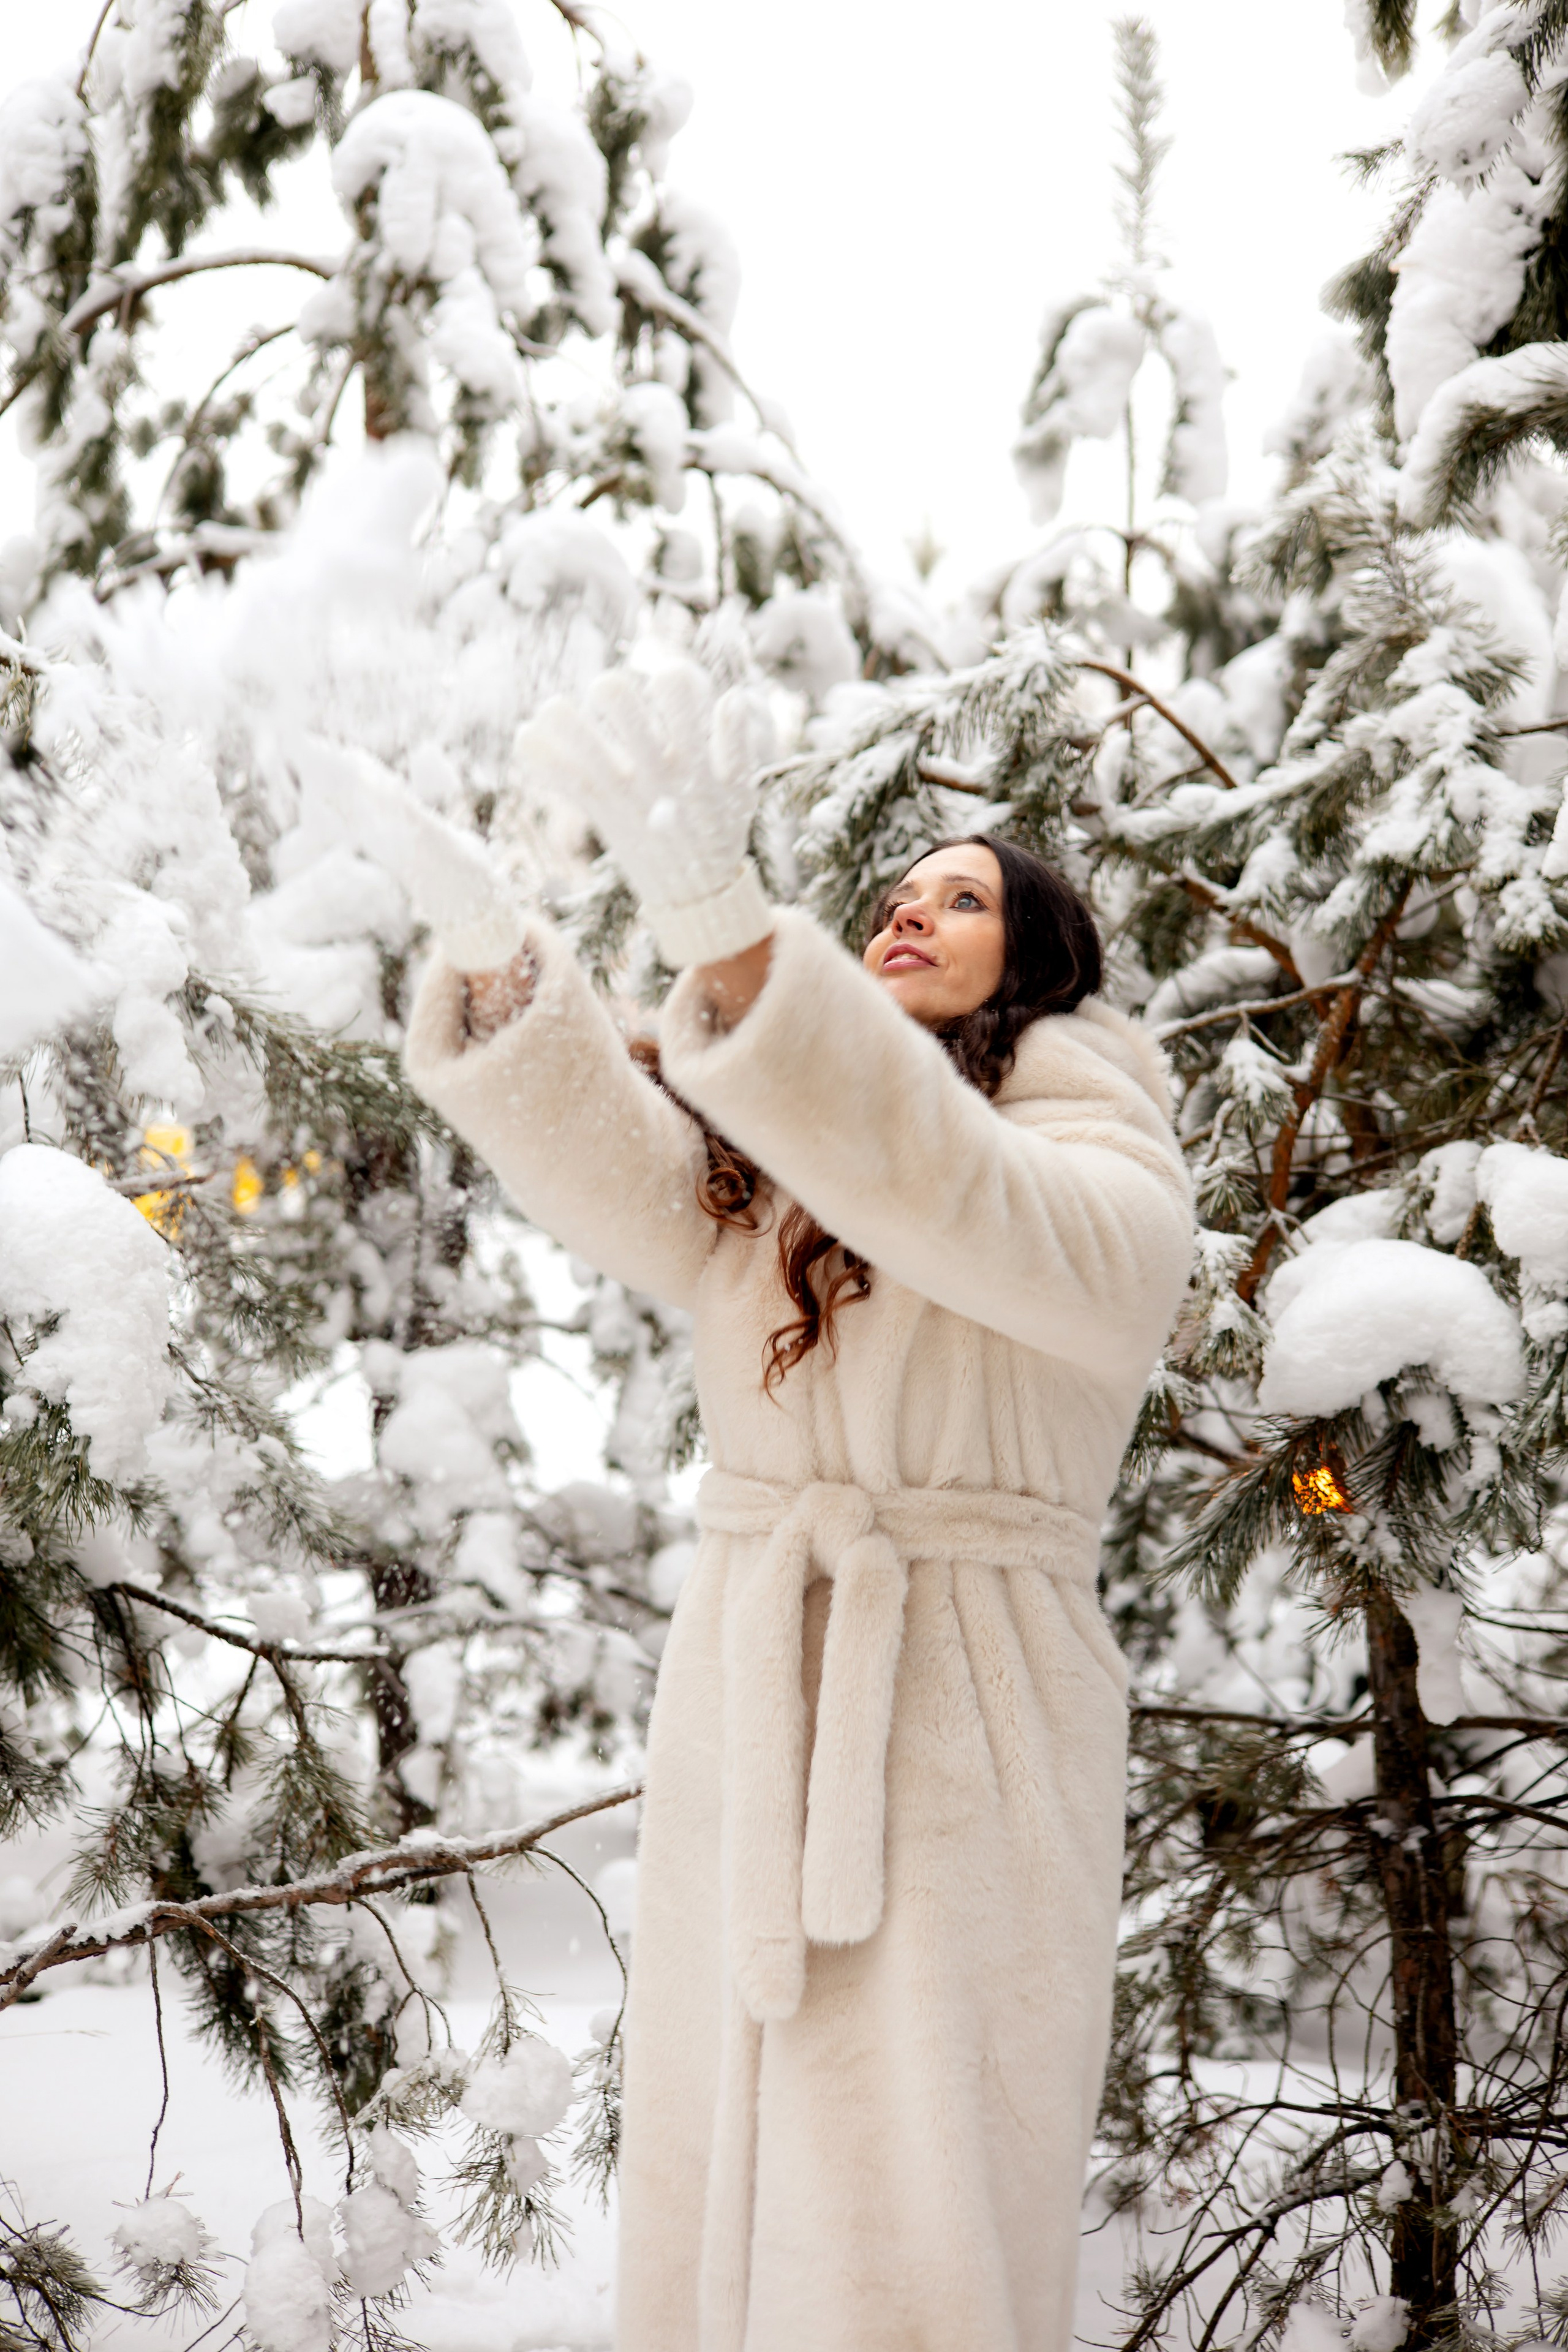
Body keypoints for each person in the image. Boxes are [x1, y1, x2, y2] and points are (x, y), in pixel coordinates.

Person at [401, 658, 1194, 2352]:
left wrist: (734, 932)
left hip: (967, 1708)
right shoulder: (791, 1184)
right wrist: (498, 967)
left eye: (960, 900)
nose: (908, 917)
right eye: (892, 900)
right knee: (730, 2156)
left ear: (1040, 958)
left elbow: (955, 1189)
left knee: (915, 2184)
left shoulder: (1103, 1173)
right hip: (755, 1693)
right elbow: (627, 1158)